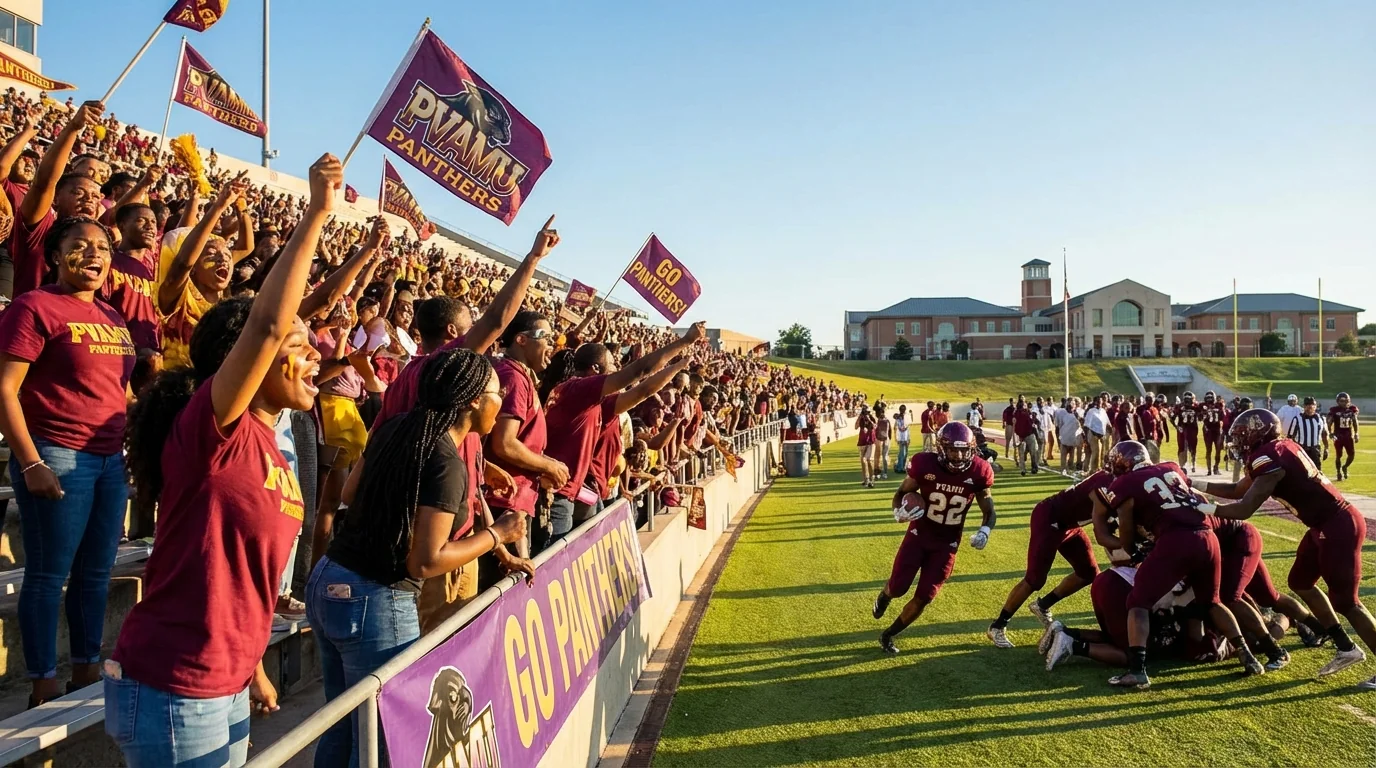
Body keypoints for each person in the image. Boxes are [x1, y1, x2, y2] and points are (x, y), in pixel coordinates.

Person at [105, 154, 338, 766]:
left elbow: (234, 574)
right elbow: (265, 325)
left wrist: (252, 666)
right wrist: (315, 215)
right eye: (301, 347)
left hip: (225, 681)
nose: (315, 359)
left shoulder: (268, 441)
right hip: (176, 685)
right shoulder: (213, 431)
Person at [307, 349, 526, 767]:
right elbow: (424, 562)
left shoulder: (395, 426)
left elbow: (351, 494)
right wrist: (497, 534)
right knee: (378, 741)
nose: (501, 405)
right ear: (474, 400)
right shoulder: (445, 460)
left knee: (340, 726)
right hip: (375, 600)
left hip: (329, 580)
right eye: (497, 394)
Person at [0, 217, 134, 707]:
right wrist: (31, 462)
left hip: (108, 462)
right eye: (80, 245)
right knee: (48, 575)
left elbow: (119, 390)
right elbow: (4, 390)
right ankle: (42, 684)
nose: (94, 254)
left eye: (102, 247)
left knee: (96, 574)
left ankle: (86, 671)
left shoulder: (112, 317)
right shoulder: (33, 306)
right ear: (56, 254)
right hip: (55, 452)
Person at [1197, 408, 1376, 690]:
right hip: (1323, 525)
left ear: (1258, 433)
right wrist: (1194, 483)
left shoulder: (1268, 457)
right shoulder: (1278, 448)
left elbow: (1243, 509)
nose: (1239, 442)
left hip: (1338, 525)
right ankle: (1344, 645)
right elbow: (1236, 489)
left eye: (1243, 436)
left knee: (1347, 602)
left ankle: (1356, 649)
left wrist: (1202, 507)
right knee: (1300, 582)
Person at [1090, 441, 1264, 689]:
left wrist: (1133, 546)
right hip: (1207, 536)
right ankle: (1247, 655)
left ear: (1121, 463)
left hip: (1175, 540)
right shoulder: (1171, 468)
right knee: (1212, 601)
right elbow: (1194, 498)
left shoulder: (1123, 484)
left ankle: (1137, 671)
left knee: (1137, 602)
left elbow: (1127, 534)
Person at [541, 323, 707, 542]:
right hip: (558, 494)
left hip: (575, 493)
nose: (617, 366)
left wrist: (677, 367)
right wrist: (684, 341)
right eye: (612, 362)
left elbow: (643, 390)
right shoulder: (577, 390)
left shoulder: (593, 401)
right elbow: (639, 371)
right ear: (596, 370)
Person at [874, 422, 996, 654]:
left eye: (963, 450)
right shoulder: (924, 465)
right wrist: (898, 511)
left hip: (947, 544)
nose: (959, 456)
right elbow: (901, 493)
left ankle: (889, 634)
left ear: (971, 448)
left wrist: (985, 531)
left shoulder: (979, 472)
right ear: (941, 449)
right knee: (899, 587)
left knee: (926, 595)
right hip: (919, 535)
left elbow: (989, 511)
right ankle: (886, 594)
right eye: (952, 450)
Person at [986, 470, 1111, 648]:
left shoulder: (1116, 479)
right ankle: (997, 625)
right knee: (1034, 579)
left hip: (1070, 524)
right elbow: (1103, 531)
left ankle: (1042, 605)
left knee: (1088, 573)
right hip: (1050, 519)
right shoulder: (1107, 482)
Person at [486, 310, 568, 557]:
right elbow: (505, 443)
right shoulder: (513, 376)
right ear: (521, 340)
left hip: (513, 501)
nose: (551, 345)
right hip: (504, 503)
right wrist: (549, 466)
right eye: (546, 337)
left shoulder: (520, 376)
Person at [9, 101, 105, 299]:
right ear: (56, 200)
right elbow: (43, 182)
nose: (89, 200)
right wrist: (73, 128)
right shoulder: (39, 230)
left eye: (96, 196)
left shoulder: (100, 244)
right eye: (78, 193)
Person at [1288, 396, 1329, 468]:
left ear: (1315, 406)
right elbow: (1290, 437)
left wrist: (1326, 448)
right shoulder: (1297, 419)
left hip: (1315, 450)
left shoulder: (1321, 419)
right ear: (1304, 406)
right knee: (1301, 472)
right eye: (1307, 405)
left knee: (1317, 472)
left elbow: (1324, 434)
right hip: (1302, 450)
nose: (1310, 408)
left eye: (1312, 405)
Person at [1327, 392, 1359, 481]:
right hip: (1338, 435)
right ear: (1338, 401)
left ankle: (1345, 467)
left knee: (1352, 455)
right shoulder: (1334, 410)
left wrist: (1356, 433)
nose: (1344, 403)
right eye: (1342, 401)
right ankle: (1338, 472)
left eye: (1346, 401)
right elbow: (1329, 422)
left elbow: (1355, 422)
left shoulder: (1352, 410)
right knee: (1339, 455)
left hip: (1348, 435)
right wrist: (1330, 432)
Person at [1172, 391, 1202, 473]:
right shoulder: (1179, 407)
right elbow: (1172, 417)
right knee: (1181, 447)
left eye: (1190, 400)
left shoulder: (1196, 406)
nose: (1188, 402)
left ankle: (1193, 463)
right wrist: (1177, 427)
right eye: (1187, 400)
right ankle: (1182, 465)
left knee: (1193, 447)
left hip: (1192, 429)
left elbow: (1201, 417)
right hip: (1183, 428)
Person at [1200, 391, 1226, 475]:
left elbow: (1222, 416)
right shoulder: (1202, 406)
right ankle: (1209, 469)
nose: (1209, 400)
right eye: (1208, 398)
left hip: (1217, 429)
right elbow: (1200, 418)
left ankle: (1216, 467)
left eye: (1210, 398)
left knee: (1218, 449)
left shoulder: (1219, 405)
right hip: (1208, 429)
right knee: (1209, 450)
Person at [1083, 395, 1110, 472]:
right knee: (1096, 452)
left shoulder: (1103, 411)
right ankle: (1093, 470)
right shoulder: (1091, 411)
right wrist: (1085, 438)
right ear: (1095, 402)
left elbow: (1107, 423)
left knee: (1103, 453)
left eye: (1101, 401)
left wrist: (1110, 429)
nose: (1100, 403)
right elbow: (1086, 425)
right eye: (1098, 401)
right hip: (1093, 434)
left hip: (1102, 435)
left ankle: (1100, 469)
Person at [854, 405, 876, 487]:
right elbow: (856, 427)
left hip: (871, 442)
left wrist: (869, 419)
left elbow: (875, 426)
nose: (866, 414)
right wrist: (860, 417)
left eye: (867, 412)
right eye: (865, 412)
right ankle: (866, 479)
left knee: (868, 460)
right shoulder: (861, 419)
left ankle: (871, 478)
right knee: (863, 462)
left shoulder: (872, 418)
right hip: (862, 442)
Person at [874, 405, 891, 480]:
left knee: (883, 456)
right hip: (880, 440)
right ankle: (879, 471)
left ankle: (884, 472)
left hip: (884, 440)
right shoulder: (878, 420)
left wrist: (889, 439)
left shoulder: (885, 420)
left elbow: (889, 430)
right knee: (879, 456)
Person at [893, 404, 911, 475]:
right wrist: (896, 438)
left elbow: (908, 428)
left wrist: (909, 438)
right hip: (900, 438)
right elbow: (896, 427)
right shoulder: (897, 418)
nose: (902, 410)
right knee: (902, 453)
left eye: (903, 409)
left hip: (906, 437)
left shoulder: (906, 417)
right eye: (901, 409)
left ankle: (902, 466)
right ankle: (899, 468)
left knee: (905, 453)